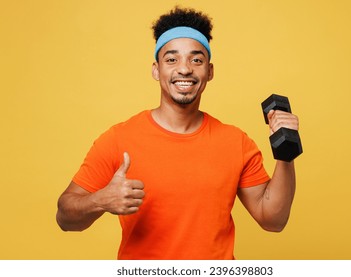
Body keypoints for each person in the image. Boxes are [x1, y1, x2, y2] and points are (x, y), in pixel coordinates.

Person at [56, 6, 299, 260]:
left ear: (210, 71)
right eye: (172, 59)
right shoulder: (119, 139)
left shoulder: (236, 142)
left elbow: (273, 220)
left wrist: (286, 154)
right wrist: (100, 200)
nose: (184, 69)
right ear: (156, 70)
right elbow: (64, 217)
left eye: (196, 59)